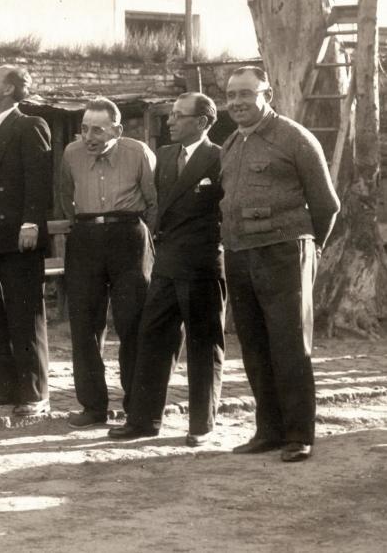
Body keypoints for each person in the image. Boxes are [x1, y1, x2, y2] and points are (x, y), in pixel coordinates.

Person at [220, 66, 339, 463]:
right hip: (240, 255)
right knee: (254, 345)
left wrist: (310, 248)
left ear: (266, 94)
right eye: (231, 94)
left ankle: (298, 434)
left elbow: (326, 204)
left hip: (285, 253)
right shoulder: (231, 144)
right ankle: (268, 431)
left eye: (246, 94)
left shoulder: (294, 137)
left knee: (289, 346)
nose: (236, 102)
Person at [108, 92, 225, 446]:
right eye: (171, 115)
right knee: (153, 339)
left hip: (203, 266)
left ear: (202, 122)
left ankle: (201, 424)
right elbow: (157, 206)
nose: (169, 121)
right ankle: (144, 421)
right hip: (167, 263)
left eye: (178, 116)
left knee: (204, 345)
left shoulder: (220, 158)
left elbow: (227, 211)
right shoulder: (165, 155)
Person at [57, 97, 156, 428]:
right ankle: (93, 406)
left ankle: (136, 405)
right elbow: (64, 197)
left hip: (129, 238)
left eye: (97, 129)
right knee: (84, 324)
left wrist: (137, 234)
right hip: (85, 239)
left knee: (132, 322)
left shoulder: (138, 152)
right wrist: (88, 224)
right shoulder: (71, 154)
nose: (89, 136)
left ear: (117, 129)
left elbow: (154, 201)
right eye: (84, 128)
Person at [0, 66, 53, 417]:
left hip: (18, 238)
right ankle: (6, 385)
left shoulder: (29, 125)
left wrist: (31, 223)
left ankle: (34, 394)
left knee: (24, 315)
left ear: (8, 89)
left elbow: (38, 179)